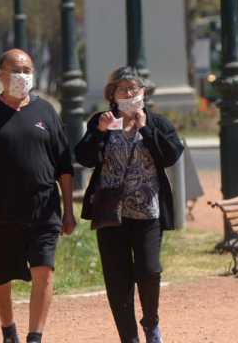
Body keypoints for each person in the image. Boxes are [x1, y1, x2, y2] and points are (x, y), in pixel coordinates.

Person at [0, 49, 77, 343]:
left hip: (43, 209)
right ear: (0, 74)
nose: (22, 76)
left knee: (44, 271)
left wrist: (68, 210)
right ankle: (8, 329)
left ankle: (34, 337)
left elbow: (64, 165)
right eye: (15, 70)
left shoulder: (46, 111)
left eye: (27, 70)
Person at [75, 66, 183, 343]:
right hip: (111, 213)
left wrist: (145, 129)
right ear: (112, 94)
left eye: (135, 89)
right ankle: (129, 337)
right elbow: (84, 158)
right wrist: (97, 133)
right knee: (117, 278)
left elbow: (171, 155)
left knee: (149, 270)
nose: (130, 93)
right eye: (124, 89)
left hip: (148, 212)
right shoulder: (102, 121)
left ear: (144, 93)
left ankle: (151, 322)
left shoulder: (156, 123)